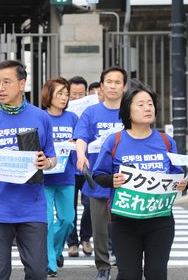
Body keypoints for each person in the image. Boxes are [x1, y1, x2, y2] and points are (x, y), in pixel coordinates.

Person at [0, 59, 57, 280]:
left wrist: (45, 163)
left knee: (38, 271)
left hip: (33, 207)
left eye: (6, 82)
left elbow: (53, 158)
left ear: (22, 84)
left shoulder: (41, 117)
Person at [92, 83, 188, 280]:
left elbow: (178, 175)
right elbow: (98, 175)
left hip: (160, 219)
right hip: (124, 221)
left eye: (150, 104)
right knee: (129, 275)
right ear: (128, 110)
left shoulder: (167, 141)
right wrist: (112, 180)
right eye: (141, 104)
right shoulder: (114, 141)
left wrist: (182, 185)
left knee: (157, 273)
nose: (148, 108)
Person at [74, 67, 127, 280]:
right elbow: (81, 137)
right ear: (101, 86)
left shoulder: (130, 109)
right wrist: (80, 155)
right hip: (97, 178)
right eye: (109, 82)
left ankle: (125, 264)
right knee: (99, 229)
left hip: (125, 179)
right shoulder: (91, 112)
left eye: (117, 82)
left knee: (124, 227)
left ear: (124, 86)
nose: (113, 86)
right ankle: (103, 266)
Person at [41, 78, 78, 277]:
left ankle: (54, 252)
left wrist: (75, 143)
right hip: (44, 178)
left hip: (66, 177)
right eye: (60, 94)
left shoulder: (72, 118)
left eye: (66, 94)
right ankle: (50, 264)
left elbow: (82, 142)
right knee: (46, 222)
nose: (64, 98)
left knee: (68, 220)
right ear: (49, 95)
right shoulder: (41, 117)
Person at [66, 76, 93, 257]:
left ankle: (86, 237)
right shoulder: (62, 113)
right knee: (70, 207)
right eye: (73, 94)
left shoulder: (91, 113)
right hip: (68, 166)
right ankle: (72, 242)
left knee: (90, 204)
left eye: (81, 94)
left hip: (88, 164)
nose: (77, 98)